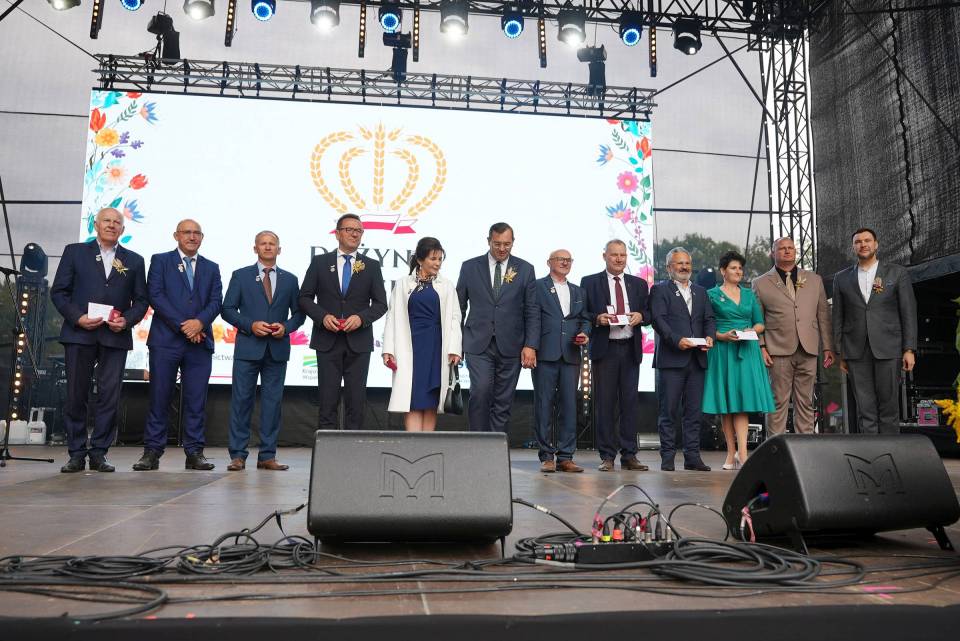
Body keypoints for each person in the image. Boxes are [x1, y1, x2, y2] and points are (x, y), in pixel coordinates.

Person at [50, 207, 148, 473]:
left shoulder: (134, 260)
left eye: (117, 222)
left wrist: (126, 320)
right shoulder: (75, 252)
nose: (111, 225)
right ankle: (76, 453)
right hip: (79, 334)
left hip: (114, 337)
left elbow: (141, 301)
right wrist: (77, 317)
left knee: (109, 397)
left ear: (123, 230)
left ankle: (99, 453)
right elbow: (59, 292)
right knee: (76, 395)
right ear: (96, 224)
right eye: (107, 220)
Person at [135, 219, 223, 471]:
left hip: (200, 343)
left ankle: (194, 452)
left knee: (196, 401)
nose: (192, 237)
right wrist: (185, 326)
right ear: (176, 235)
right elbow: (156, 295)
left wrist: (199, 323)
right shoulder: (161, 261)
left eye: (197, 233)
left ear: (202, 238)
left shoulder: (212, 267)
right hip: (166, 341)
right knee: (159, 397)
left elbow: (216, 301)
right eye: (187, 232)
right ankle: (152, 452)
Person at [221, 231, 306, 471]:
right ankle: (238, 456)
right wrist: (250, 325)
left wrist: (286, 327)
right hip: (248, 349)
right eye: (263, 244)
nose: (268, 247)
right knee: (241, 402)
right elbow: (227, 309)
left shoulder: (290, 279)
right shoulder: (240, 276)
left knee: (272, 404)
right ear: (255, 248)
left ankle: (267, 456)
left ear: (279, 249)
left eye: (272, 244)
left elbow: (299, 314)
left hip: (277, 350)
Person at [299, 214, 387, 430]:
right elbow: (304, 298)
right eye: (349, 229)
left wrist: (361, 318)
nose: (354, 234)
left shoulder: (371, 265)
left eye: (358, 230)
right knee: (327, 399)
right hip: (327, 340)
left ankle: (353, 447)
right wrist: (322, 317)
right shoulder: (320, 262)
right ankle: (327, 447)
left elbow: (381, 304)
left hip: (359, 342)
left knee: (356, 401)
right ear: (337, 233)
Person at [832, 228, 917, 434]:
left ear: (876, 244)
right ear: (853, 247)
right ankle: (870, 450)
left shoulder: (896, 273)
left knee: (889, 406)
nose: (863, 244)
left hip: (889, 348)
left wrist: (909, 349)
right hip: (855, 350)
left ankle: (890, 450)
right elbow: (837, 317)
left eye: (867, 240)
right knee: (865, 408)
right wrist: (840, 352)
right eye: (858, 242)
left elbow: (908, 312)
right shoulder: (841, 278)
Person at [456, 222, 537, 432]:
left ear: (513, 242)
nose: (502, 249)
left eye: (506, 244)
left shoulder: (525, 269)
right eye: (497, 244)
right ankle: (478, 441)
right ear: (488, 241)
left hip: (512, 344)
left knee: (504, 399)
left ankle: (496, 444)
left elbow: (532, 310)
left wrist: (530, 345)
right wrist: (456, 344)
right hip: (477, 343)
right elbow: (458, 308)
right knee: (480, 391)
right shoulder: (469, 267)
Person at [581, 240, 651, 472]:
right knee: (605, 404)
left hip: (630, 349)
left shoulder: (639, 284)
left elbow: (649, 312)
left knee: (630, 404)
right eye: (614, 255)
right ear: (605, 256)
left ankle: (629, 455)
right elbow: (583, 312)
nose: (619, 259)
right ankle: (607, 456)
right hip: (605, 349)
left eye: (623, 255)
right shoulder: (590, 282)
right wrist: (597, 319)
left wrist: (642, 316)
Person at [752, 237, 834, 435]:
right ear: (773, 253)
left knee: (806, 401)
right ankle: (776, 446)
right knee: (778, 401)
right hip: (777, 349)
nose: (787, 251)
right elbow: (756, 319)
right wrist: (761, 347)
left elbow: (823, 315)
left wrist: (827, 347)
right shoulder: (760, 283)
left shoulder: (814, 279)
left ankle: (804, 446)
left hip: (808, 348)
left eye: (791, 248)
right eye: (782, 248)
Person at [703, 250, 775, 469]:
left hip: (747, 349)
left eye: (740, 268)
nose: (738, 271)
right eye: (733, 268)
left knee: (742, 404)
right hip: (723, 350)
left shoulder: (749, 294)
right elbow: (706, 325)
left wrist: (752, 330)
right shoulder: (711, 294)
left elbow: (760, 323)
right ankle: (730, 453)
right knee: (727, 404)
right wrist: (721, 336)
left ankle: (743, 454)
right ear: (723, 271)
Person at [382, 237, 462, 430]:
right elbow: (392, 317)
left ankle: (428, 442)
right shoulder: (403, 284)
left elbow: (455, 318)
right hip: (409, 345)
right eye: (433, 259)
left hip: (436, 346)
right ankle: (413, 443)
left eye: (440, 259)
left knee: (431, 398)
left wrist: (454, 348)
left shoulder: (447, 285)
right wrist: (388, 350)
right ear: (420, 260)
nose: (437, 263)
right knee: (412, 397)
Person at [650, 248, 716, 471]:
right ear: (669, 267)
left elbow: (709, 319)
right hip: (671, 359)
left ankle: (692, 457)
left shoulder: (701, 292)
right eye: (679, 263)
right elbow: (659, 321)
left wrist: (710, 336)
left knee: (694, 413)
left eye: (687, 263)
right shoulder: (659, 290)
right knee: (668, 412)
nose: (684, 267)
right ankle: (668, 457)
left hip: (697, 360)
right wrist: (677, 340)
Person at [527, 249, 590, 473]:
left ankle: (566, 456)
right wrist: (530, 346)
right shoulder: (537, 286)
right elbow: (531, 317)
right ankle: (546, 456)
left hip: (571, 354)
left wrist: (585, 333)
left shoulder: (578, 291)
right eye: (560, 259)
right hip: (545, 353)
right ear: (549, 262)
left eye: (568, 260)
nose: (565, 263)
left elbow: (585, 319)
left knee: (569, 406)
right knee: (544, 405)